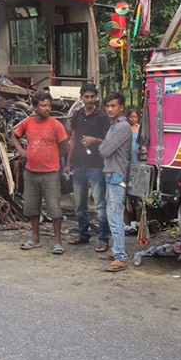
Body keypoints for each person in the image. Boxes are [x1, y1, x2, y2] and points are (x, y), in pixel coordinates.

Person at [11, 91, 69, 255]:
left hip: (50, 173)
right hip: (30, 172)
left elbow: (65, 146)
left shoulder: (55, 125)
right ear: (35, 107)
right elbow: (14, 136)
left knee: (54, 209)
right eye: (43, 105)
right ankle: (35, 238)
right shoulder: (27, 123)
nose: (47, 108)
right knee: (32, 208)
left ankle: (58, 242)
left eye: (49, 105)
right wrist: (21, 151)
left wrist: (54, 157)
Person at [64, 83, 110, 252]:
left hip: (97, 166)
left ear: (96, 97)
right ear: (81, 97)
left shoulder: (103, 116)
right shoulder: (77, 115)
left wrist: (94, 140)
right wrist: (68, 163)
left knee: (99, 205)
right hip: (79, 165)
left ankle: (104, 239)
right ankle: (83, 234)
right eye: (86, 97)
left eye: (92, 97)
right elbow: (73, 140)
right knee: (79, 204)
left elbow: (109, 141)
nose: (89, 100)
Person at [98, 92, 133, 272]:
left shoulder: (122, 127)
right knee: (113, 215)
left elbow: (105, 150)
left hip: (117, 175)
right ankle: (116, 250)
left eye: (113, 106)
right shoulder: (115, 126)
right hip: (111, 174)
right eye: (108, 106)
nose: (110, 109)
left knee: (115, 216)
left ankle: (120, 257)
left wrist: (101, 145)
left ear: (121, 108)